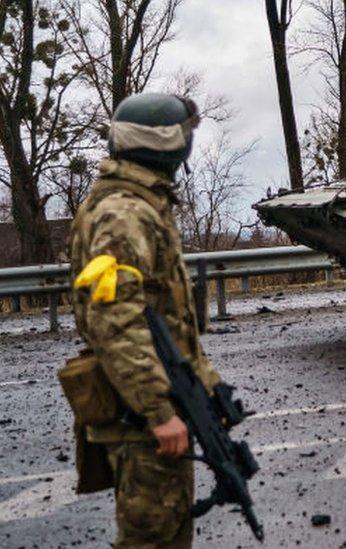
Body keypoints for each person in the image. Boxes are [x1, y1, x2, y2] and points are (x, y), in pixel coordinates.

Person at [68, 93, 222, 548]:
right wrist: (158, 411)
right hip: (143, 414)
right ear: (170, 144)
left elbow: (163, 320)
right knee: (150, 539)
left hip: (158, 402)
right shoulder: (125, 214)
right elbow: (115, 322)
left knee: (170, 532)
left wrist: (206, 391)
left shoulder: (138, 204)